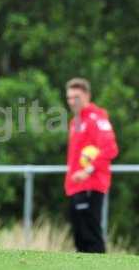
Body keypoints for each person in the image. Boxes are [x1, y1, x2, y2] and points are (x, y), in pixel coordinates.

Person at [65, 78, 118, 253]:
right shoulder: (75, 122)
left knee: (92, 237)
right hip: (75, 186)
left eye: (76, 97)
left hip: (91, 185)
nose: (72, 102)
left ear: (87, 95)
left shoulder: (97, 118)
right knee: (80, 239)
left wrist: (87, 171)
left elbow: (110, 149)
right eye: (69, 98)